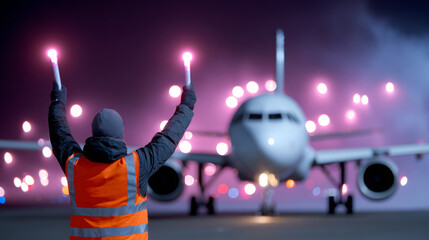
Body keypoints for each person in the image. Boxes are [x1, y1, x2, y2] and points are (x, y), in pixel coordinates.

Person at [49, 81, 196, 239]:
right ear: (121, 133)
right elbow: (168, 138)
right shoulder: (136, 166)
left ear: (93, 131)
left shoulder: (75, 165)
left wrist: (57, 102)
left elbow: (59, 135)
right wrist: (186, 105)